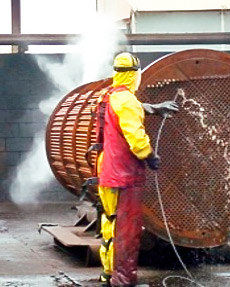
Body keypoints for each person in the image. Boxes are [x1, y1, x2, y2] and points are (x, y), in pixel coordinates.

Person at [95, 52, 178, 287]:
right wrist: (150, 157)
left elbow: (127, 107)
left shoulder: (108, 96)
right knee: (128, 230)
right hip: (125, 176)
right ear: (134, 75)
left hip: (108, 173)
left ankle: (108, 274)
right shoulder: (127, 101)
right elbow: (136, 137)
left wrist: (153, 108)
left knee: (110, 223)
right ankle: (124, 280)